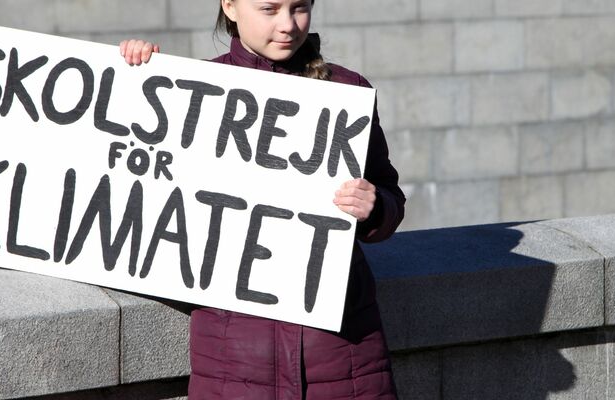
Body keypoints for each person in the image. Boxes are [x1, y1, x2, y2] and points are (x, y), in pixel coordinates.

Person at [120, 1, 405, 398]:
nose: (288, 25)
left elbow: (390, 195)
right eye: (269, 9)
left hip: (345, 358)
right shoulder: (197, 88)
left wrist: (374, 207)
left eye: (299, 7)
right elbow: (135, 183)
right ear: (230, 6)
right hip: (234, 363)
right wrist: (136, 74)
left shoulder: (347, 90)